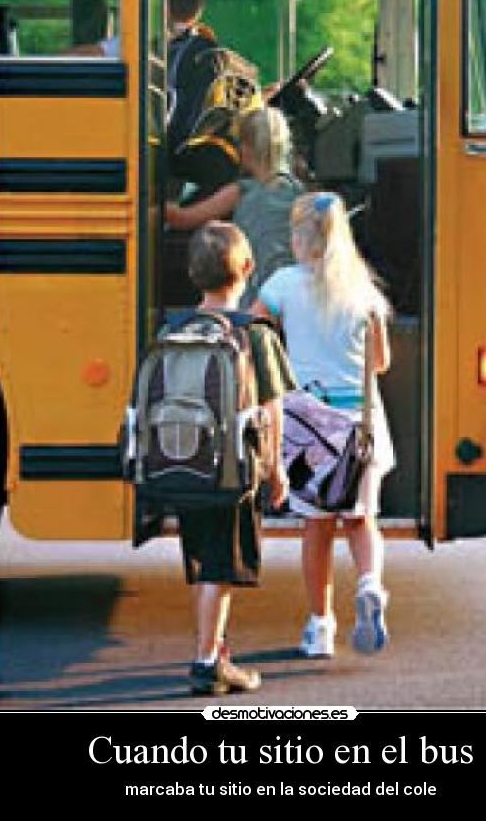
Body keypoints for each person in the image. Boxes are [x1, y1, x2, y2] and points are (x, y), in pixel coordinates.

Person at [251, 192, 395, 658]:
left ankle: (320, 627)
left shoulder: (282, 284)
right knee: (361, 519)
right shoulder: (363, 291)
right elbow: (381, 362)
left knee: (317, 530)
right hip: (360, 423)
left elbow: (254, 331)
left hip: (309, 426)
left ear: (298, 240)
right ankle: (369, 584)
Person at [177, 220, 296, 695]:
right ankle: (208, 662)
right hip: (235, 468)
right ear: (248, 268)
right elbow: (272, 408)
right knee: (221, 566)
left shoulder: (176, 328)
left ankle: (214, 648)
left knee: (204, 560)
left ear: (193, 274)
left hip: (185, 462)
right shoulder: (253, 333)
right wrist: (276, 467)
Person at [166, 106, 304, 307]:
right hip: (289, 296)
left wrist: (152, 198)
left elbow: (183, 219)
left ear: (246, 149)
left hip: (253, 297)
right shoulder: (298, 192)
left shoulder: (241, 191)